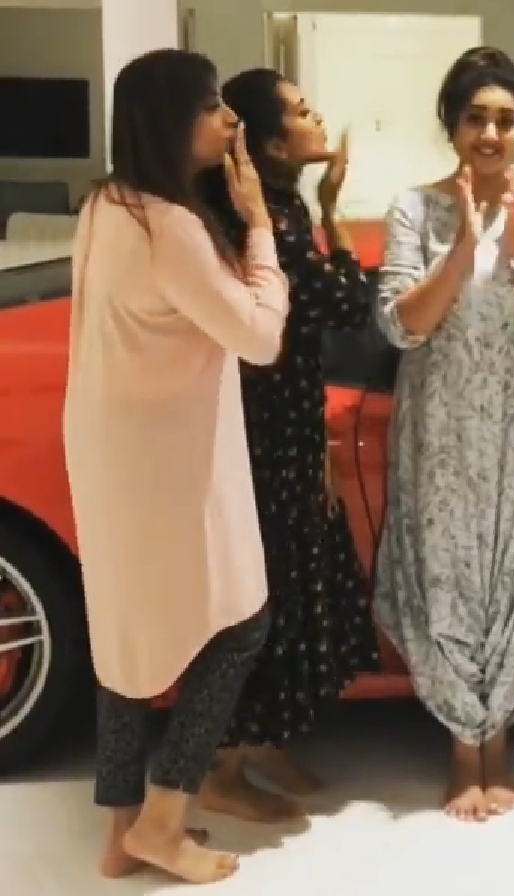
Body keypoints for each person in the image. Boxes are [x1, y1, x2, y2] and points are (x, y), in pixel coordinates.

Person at [62, 49, 289, 884]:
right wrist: (259, 226)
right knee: (240, 624)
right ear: (170, 120)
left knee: (123, 639)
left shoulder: (105, 207)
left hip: (111, 453)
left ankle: (120, 832)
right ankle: (163, 820)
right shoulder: (172, 228)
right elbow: (259, 337)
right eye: (211, 106)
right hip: (165, 466)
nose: (229, 120)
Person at [372, 46, 514, 821]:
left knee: (511, 574)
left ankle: (498, 742)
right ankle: (464, 754)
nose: (491, 134)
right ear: (452, 126)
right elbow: (401, 326)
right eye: (476, 118)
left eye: (506, 120)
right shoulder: (414, 209)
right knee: (448, 576)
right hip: (438, 434)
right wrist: (464, 249)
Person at [194, 67, 381, 823]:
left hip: (285, 431)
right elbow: (348, 304)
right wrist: (337, 213)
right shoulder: (268, 217)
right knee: (267, 600)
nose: (317, 117)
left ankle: (263, 742)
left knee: (296, 591)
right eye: (302, 111)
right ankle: (223, 769)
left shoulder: (275, 206)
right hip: (263, 440)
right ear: (272, 144)